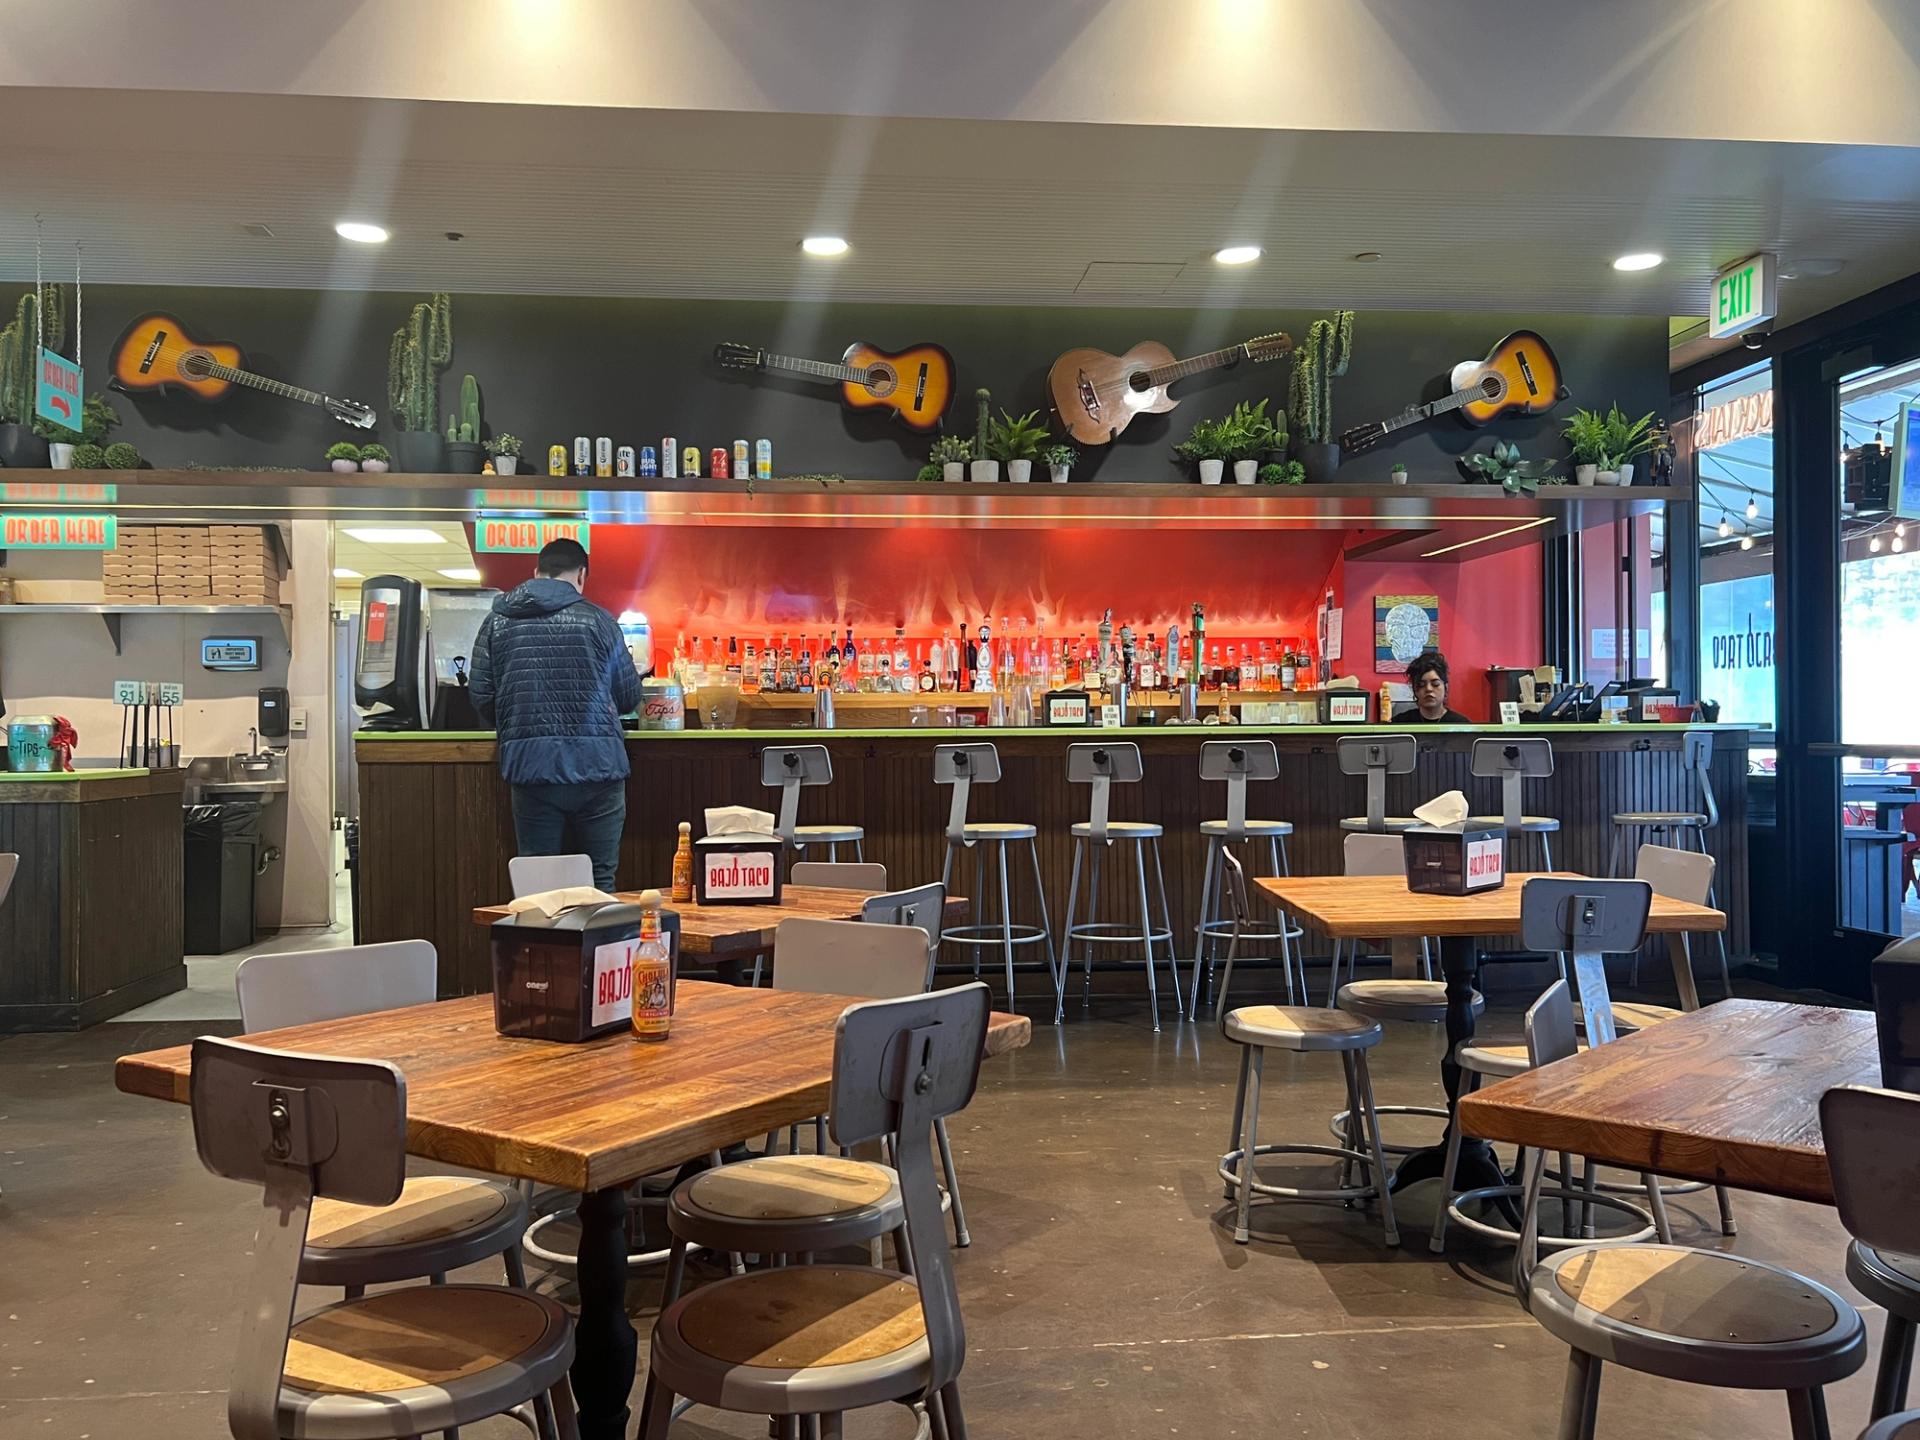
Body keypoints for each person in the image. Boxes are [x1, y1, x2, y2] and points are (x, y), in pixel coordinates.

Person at [469, 538, 640, 890]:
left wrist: (518, 721)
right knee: (600, 882)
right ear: (581, 575)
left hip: (532, 771)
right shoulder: (600, 621)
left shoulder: (497, 622)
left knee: (540, 889)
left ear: (536, 573)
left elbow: (482, 695)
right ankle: (595, 947)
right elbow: (627, 697)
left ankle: (545, 947)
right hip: (598, 771)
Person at [1394, 649, 1470, 724]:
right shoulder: (1399, 723)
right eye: (1421, 685)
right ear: (1414, 690)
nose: (1428, 689)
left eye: (1435, 684)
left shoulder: (1461, 724)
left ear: (1446, 687)